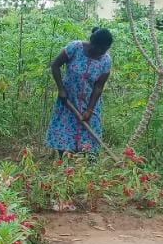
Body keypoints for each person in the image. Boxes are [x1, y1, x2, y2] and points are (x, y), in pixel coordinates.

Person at [46, 27, 113, 159]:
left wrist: (89, 110)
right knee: (64, 132)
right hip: (67, 100)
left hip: (90, 102)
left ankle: (87, 164)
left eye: (104, 50)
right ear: (92, 43)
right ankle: (64, 162)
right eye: (100, 49)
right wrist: (61, 89)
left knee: (89, 136)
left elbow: (99, 87)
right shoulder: (75, 48)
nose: (102, 53)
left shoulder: (106, 61)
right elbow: (55, 65)